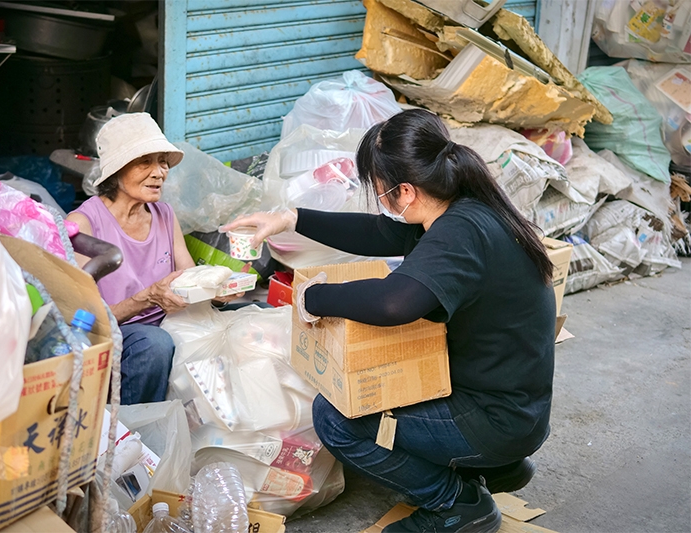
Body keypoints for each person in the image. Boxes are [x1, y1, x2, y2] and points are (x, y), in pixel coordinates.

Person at [221, 109, 556, 533]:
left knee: (336, 417)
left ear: (405, 191)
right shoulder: (464, 207)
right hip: (517, 410)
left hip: (493, 420)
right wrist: (291, 219)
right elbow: (379, 233)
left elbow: (393, 305)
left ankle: (457, 503)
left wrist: (314, 298)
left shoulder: (459, 235)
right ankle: (497, 469)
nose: (377, 197)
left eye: (378, 188)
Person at [67, 113, 242, 405]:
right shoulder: (85, 223)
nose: (159, 172)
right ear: (116, 170)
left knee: (254, 314)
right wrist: (147, 299)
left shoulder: (164, 215)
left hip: (168, 323)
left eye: (162, 161)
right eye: (144, 162)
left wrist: (218, 289)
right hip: (121, 337)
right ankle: (137, 436)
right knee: (155, 343)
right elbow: (87, 319)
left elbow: (188, 278)